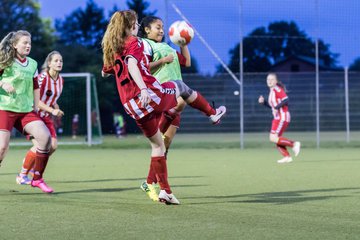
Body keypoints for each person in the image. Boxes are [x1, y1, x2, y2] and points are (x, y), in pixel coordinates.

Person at [101, 10, 226, 204]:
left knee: (158, 145)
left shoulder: (116, 48)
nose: (137, 27)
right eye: (135, 24)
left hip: (131, 105)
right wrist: (143, 87)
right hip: (149, 94)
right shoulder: (135, 42)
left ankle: (164, 191)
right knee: (182, 88)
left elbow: (107, 70)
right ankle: (212, 114)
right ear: (128, 27)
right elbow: (132, 64)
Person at [0, 30, 53, 193]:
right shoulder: (5, 62)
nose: (28, 45)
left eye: (29, 43)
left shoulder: (32, 64)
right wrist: (2, 84)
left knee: (45, 138)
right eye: (24, 42)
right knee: (2, 148)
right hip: (5, 109)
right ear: (15, 45)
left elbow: (36, 85)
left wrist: (36, 106)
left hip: (25, 110)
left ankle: (37, 179)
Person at [138, 16, 190, 155]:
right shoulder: (145, 45)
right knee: (180, 102)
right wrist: (162, 61)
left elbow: (186, 62)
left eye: (163, 28)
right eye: (158, 27)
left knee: (165, 145)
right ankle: (159, 130)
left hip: (175, 94)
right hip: (161, 95)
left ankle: (157, 177)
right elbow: (141, 67)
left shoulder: (167, 47)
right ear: (147, 30)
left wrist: (183, 42)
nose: (162, 31)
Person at [16, 51, 64, 186]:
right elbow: (35, 99)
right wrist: (52, 110)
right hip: (33, 116)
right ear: (49, 63)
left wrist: (56, 108)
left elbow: (53, 99)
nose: (59, 63)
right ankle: (22, 175)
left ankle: (34, 165)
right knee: (39, 146)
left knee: (53, 146)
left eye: (61, 61)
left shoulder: (61, 80)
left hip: (46, 117)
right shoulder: (42, 78)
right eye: (56, 61)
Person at [258, 73, 301, 163]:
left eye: (272, 79)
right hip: (278, 117)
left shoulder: (277, 89)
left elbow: (286, 100)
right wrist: (264, 103)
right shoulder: (272, 91)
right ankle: (287, 157)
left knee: (273, 137)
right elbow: (273, 107)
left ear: (276, 81)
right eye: (268, 79)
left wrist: (276, 107)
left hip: (282, 117)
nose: (269, 81)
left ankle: (294, 144)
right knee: (276, 138)